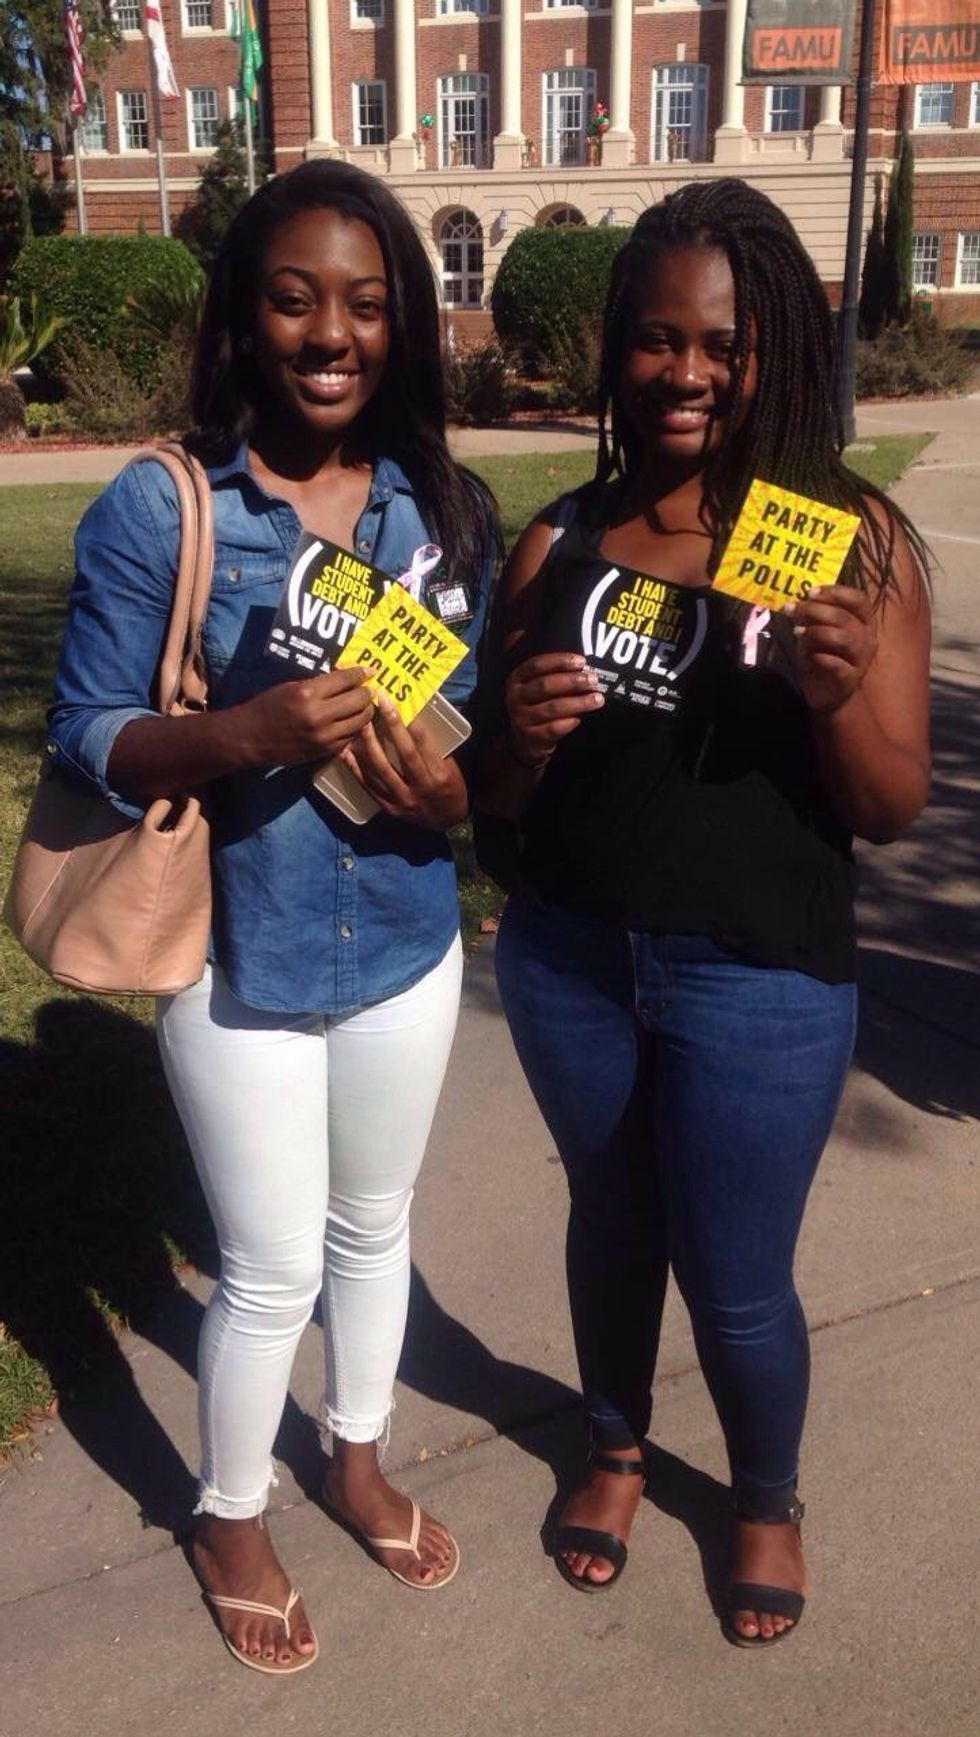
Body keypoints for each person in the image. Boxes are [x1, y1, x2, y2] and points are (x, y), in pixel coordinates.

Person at [48, 160, 498, 1674]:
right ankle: (229, 1513)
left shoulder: (442, 509)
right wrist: (245, 732)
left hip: (406, 943)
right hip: (236, 951)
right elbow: (87, 733)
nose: (332, 334)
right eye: (295, 300)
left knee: (374, 1226)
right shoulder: (164, 503)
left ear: (403, 324)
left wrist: (448, 788)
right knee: (269, 1265)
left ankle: (357, 1457)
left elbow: (466, 743)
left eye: (366, 304)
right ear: (245, 318)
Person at [476, 179, 930, 1646]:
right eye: (658, 339)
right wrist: (516, 744)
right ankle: (613, 1448)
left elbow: (888, 806)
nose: (687, 372)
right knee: (611, 1229)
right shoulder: (557, 541)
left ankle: (766, 1496)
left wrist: (837, 690)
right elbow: (490, 801)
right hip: (570, 963)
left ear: (772, 351)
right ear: (619, 348)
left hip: (761, 982)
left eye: (724, 345)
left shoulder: (845, 543)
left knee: (736, 1283)